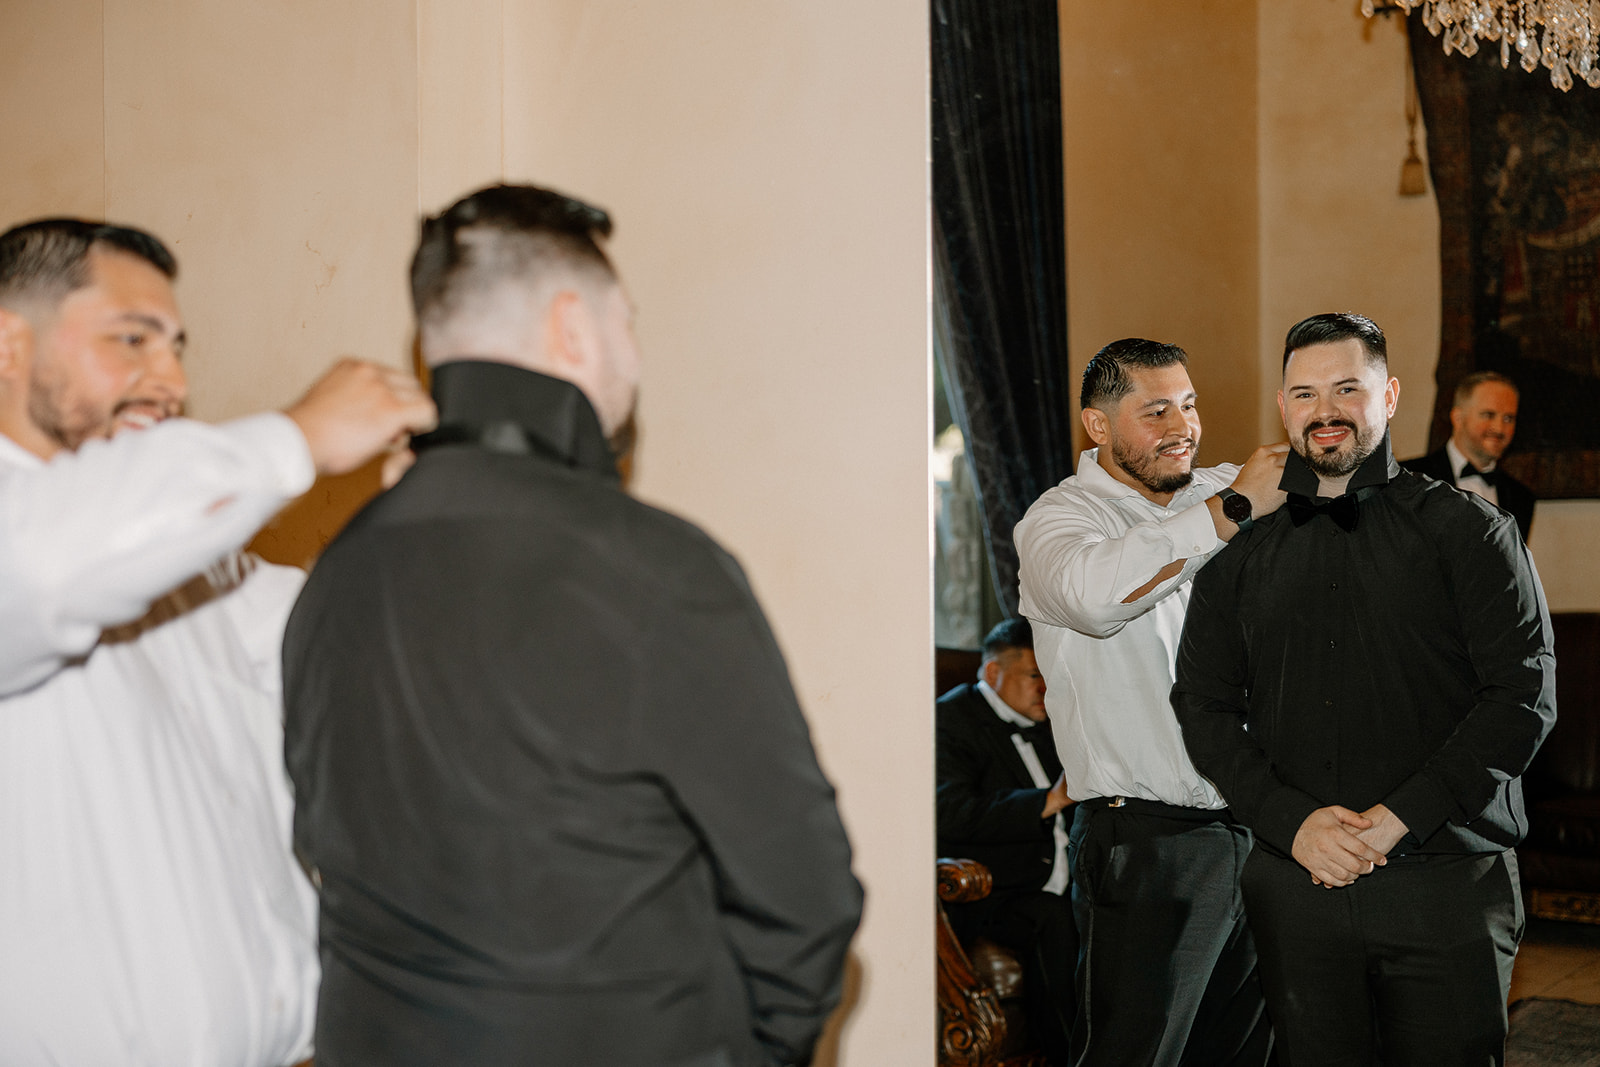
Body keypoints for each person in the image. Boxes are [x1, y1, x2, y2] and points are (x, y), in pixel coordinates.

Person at [281, 184, 864, 1067]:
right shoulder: (657, 568)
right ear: (574, 329)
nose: (633, 353)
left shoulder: (331, 572)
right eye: (626, 323)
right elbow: (806, 895)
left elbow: (325, 846)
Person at [0, 217, 438, 1066]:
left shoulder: (194, 561)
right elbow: (46, 567)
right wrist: (300, 436)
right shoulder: (48, 544)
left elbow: (341, 656)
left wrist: (411, 521)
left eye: (176, 346)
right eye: (133, 339)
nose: (170, 380)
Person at [1173, 312, 1557, 1065]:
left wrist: (1397, 819)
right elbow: (1203, 703)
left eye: (1349, 387)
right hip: (1295, 886)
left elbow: (1523, 696)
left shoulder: (1473, 531)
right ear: (1283, 406)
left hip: (1446, 881)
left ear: (1390, 395)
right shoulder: (1235, 549)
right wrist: (1292, 823)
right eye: (1306, 392)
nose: (1326, 410)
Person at [1013, 337, 1287, 1067]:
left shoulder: (1220, 490)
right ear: (1098, 426)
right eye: (1157, 408)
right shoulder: (1058, 522)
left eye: (1190, 404)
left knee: (1244, 1052)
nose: (1184, 425)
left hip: (1261, 832)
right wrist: (1232, 512)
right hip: (1151, 843)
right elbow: (1097, 598)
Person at [937, 617, 1077, 1064]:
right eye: (1035, 675)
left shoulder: (1056, 723)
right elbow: (949, 813)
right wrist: (1047, 801)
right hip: (992, 892)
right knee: (1054, 918)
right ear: (994, 674)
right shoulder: (949, 721)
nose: (1045, 688)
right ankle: (1069, 1057)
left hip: (1062, 880)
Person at [1402, 369, 1534, 540]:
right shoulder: (1408, 479)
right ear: (1458, 418)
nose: (1500, 428)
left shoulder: (1521, 497)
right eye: (1488, 415)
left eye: (1508, 418)